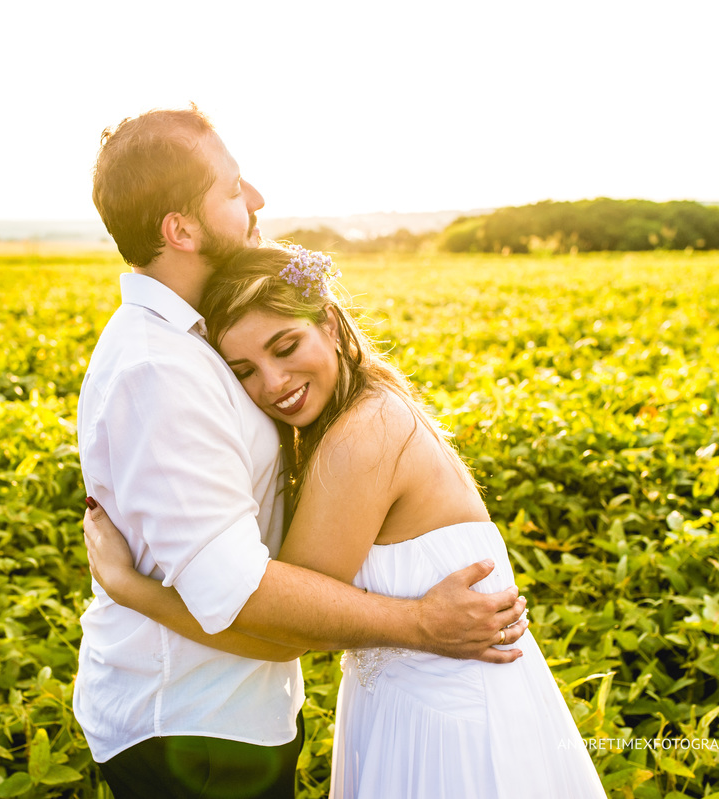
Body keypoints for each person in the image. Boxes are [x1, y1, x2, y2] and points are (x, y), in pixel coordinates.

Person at [75, 106, 530, 799]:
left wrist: (131, 585)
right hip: (192, 729)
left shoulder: (201, 339)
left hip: (226, 713)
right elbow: (244, 595)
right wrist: (417, 622)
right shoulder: (159, 368)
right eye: (231, 188)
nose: (256, 199)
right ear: (181, 228)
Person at [83, 244, 607, 798]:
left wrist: (129, 588)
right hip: (417, 705)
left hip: (445, 724)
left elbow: (282, 633)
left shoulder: (363, 437)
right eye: (244, 372)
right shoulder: (365, 408)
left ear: (329, 322)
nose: (274, 382)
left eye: (285, 347)